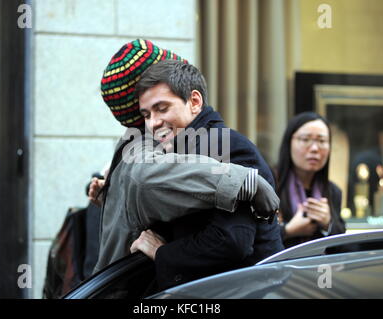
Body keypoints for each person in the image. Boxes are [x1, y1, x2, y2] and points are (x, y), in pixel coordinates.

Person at [91, 40, 280, 281]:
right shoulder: (178, 149)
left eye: (162, 108)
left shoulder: (224, 144)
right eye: (146, 115)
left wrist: (162, 253)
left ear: (194, 102)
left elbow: (232, 241)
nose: (153, 123)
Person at [275, 112, 346, 248]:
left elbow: (345, 247)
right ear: (289, 143)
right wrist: (288, 231)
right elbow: (254, 240)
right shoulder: (270, 184)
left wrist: (328, 224)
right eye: (305, 139)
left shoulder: (333, 191)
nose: (314, 148)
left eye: (321, 141)